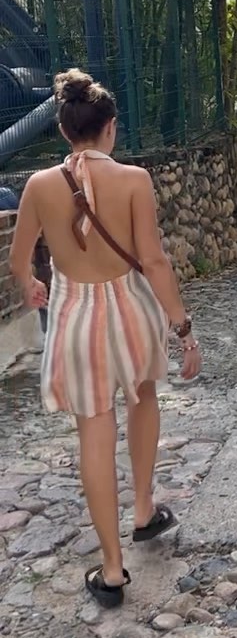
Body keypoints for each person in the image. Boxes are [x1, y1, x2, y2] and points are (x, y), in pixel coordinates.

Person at [9, 69, 202, 608]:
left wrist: (30, 285)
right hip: (131, 307)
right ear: (110, 127)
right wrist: (183, 328)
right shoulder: (135, 180)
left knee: (94, 432)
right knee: (143, 396)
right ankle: (143, 510)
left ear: (64, 131)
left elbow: (19, 259)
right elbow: (154, 261)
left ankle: (112, 569)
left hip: (75, 315)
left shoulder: (39, 186)